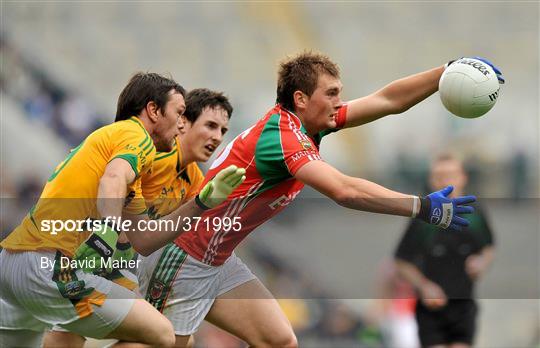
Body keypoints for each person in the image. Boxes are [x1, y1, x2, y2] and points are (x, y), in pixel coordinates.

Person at [138, 52, 503, 347]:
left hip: (217, 260)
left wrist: (446, 72)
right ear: (301, 99)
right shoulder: (282, 137)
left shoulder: (308, 124)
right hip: (184, 256)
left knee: (278, 340)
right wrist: (421, 206)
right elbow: (343, 190)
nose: (338, 102)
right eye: (331, 94)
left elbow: (388, 100)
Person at [0, 74, 244, 347]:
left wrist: (201, 204)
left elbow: (143, 238)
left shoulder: (135, 150)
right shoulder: (137, 137)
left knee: (72, 333)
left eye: (222, 130)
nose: (180, 124)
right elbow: (113, 178)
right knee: (166, 335)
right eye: (179, 113)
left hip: (15, 263)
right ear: (153, 110)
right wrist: (109, 231)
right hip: (51, 266)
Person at [394, 154, 495, 348]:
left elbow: (488, 247)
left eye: (450, 175)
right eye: (439, 176)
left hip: (463, 305)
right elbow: (401, 261)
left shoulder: (476, 213)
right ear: (431, 180)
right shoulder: (423, 220)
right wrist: (424, 286)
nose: (445, 181)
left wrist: (481, 262)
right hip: (431, 310)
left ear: (463, 177)